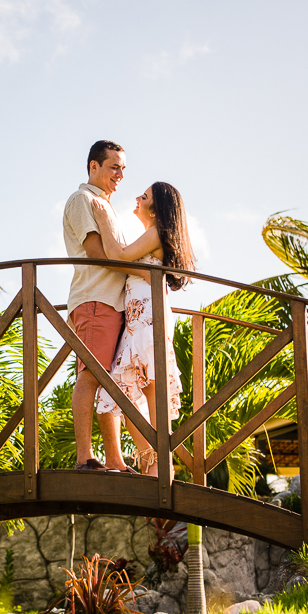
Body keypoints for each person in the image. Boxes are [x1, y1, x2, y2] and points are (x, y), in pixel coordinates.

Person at [90, 182, 195, 476]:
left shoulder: (157, 232)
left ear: (156, 208)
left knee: (150, 392)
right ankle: (155, 462)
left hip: (148, 317)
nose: (137, 198)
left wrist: (103, 220)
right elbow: (134, 269)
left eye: (144, 196)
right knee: (128, 393)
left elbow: (116, 256)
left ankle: (161, 468)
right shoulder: (152, 236)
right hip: (140, 317)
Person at [63, 140, 131, 471]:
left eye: (122, 168)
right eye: (113, 166)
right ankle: (84, 457)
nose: (119, 174)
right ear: (94, 166)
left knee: (109, 382)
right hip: (95, 300)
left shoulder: (106, 205)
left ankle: (114, 458)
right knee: (91, 376)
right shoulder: (82, 199)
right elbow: (96, 252)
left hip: (113, 304)